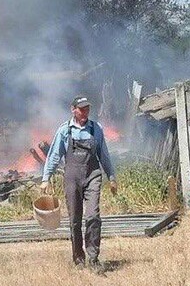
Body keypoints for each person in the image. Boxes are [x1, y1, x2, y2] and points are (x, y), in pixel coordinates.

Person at [40, 96, 118, 273]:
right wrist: (45, 178)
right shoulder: (64, 130)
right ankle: (78, 258)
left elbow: (104, 155)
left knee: (93, 216)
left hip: (93, 175)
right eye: (81, 109)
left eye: (87, 109)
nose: (85, 112)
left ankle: (93, 257)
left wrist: (111, 177)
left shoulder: (96, 128)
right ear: (73, 109)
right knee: (75, 219)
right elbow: (54, 156)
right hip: (72, 177)